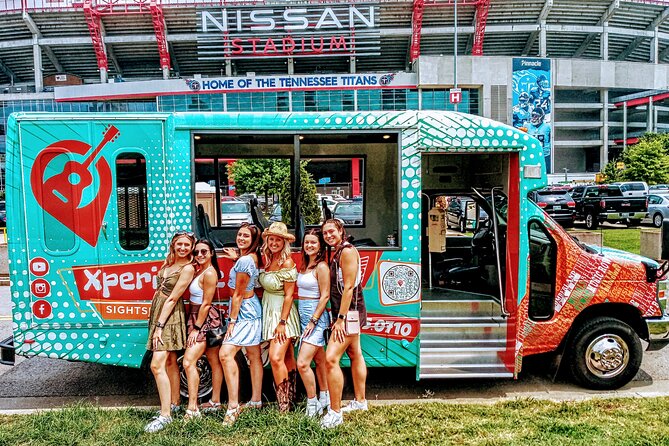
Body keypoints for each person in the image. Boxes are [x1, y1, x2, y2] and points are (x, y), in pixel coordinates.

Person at [144, 231, 196, 433]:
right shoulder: (169, 263)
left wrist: (159, 326)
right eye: (179, 244)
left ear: (191, 248)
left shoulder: (188, 268)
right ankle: (174, 403)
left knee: (156, 365)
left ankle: (165, 416)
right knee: (170, 361)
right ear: (173, 245)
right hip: (160, 311)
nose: (183, 248)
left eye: (187, 245)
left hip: (170, 315)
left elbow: (173, 298)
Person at [320, 219, 368, 429]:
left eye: (332, 231)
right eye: (325, 233)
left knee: (331, 359)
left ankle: (335, 412)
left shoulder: (347, 252)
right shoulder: (339, 251)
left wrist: (340, 319)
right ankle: (360, 401)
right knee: (355, 353)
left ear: (341, 231)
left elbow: (348, 288)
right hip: (351, 312)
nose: (328, 236)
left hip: (348, 314)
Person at [218, 223, 264, 426]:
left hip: (244, 311)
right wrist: (236, 258)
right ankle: (256, 401)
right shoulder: (248, 258)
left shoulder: (245, 260)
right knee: (254, 355)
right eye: (239, 234)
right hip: (250, 308)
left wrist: (232, 321)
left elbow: (238, 293)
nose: (241, 238)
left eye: (246, 236)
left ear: (253, 240)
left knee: (225, 354)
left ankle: (233, 406)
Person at [259, 221, 300, 412]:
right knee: (288, 356)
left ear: (285, 243)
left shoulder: (287, 262)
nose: (274, 243)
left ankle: (284, 405)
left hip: (282, 314)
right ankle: (292, 398)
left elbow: (289, 295)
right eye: (271, 239)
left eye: (278, 240)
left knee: (275, 358)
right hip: (270, 309)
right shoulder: (268, 260)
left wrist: (282, 322)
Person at [182, 238, 224, 420]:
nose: (199, 255)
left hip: (202, 319)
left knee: (188, 362)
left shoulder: (210, 273)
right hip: (197, 316)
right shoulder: (201, 270)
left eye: (204, 251)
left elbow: (206, 303)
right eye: (196, 252)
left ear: (211, 253)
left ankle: (192, 409)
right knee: (214, 360)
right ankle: (215, 401)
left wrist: (196, 328)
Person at [296, 229, 331, 417]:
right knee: (319, 360)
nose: (309, 245)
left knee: (302, 363)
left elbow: (325, 296)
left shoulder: (322, 267)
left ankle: (312, 402)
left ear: (320, 246)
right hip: (303, 315)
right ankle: (325, 396)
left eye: (313, 242)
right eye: (306, 242)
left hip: (315, 317)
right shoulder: (304, 265)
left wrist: (313, 320)